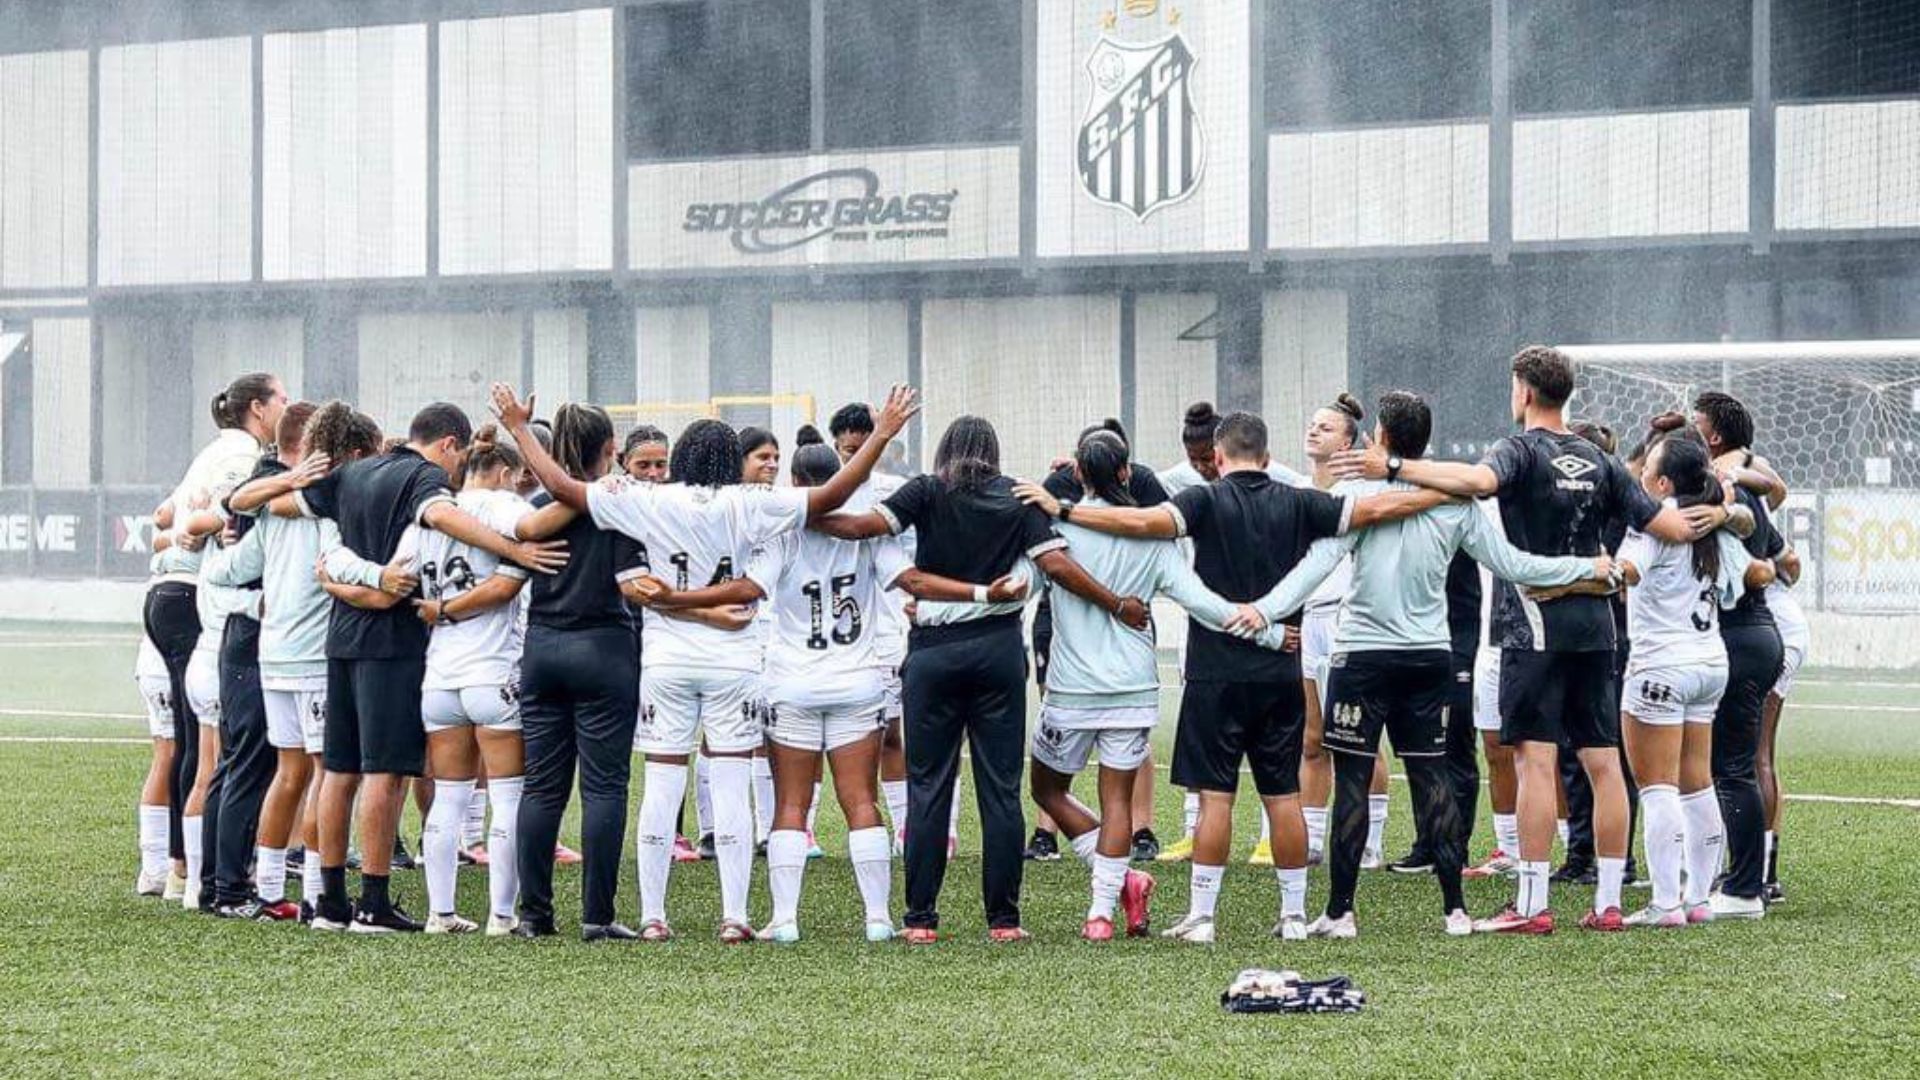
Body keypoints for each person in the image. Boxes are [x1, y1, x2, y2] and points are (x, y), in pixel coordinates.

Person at [1332, 346, 1748, 934]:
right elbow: (1673, 524)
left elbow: (1476, 483)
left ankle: (1531, 904)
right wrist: (1728, 514)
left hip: (1533, 623)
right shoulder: (1600, 461)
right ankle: (1607, 901)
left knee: (1534, 759)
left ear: (1523, 391)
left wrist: (1394, 469)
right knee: (1604, 762)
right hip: (1598, 628)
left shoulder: (1519, 451)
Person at [499, 383, 916, 943]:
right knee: (730, 783)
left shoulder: (650, 498)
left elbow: (561, 489)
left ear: (683, 460)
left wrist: (520, 429)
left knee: (663, 785)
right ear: (733, 462)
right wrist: (883, 433)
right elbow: (832, 494)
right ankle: (735, 915)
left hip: (667, 659)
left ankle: (651, 916)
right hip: (734, 661)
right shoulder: (750, 501)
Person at [1019, 411, 1447, 944]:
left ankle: (1202, 917)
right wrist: (1442, 492)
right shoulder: (1298, 500)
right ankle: (1293, 917)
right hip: (1278, 672)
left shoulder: (1202, 500)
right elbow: (1378, 507)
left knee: (1216, 799)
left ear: (1217, 460)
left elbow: (1147, 524)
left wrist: (1063, 508)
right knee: (1282, 795)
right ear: (1266, 457)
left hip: (1214, 672)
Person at [1230, 391, 1609, 938]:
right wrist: (1588, 566)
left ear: (1381, 437)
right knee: (1433, 779)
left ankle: (1340, 913)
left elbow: (1318, 565)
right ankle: (1454, 910)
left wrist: (1262, 613)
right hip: (1429, 657)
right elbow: (1515, 565)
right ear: (1423, 445)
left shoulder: (1357, 493)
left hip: (1362, 657)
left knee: (1354, 783)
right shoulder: (1454, 502)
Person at [631, 441, 1020, 942]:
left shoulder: (782, 531)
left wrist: (676, 598)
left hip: (793, 682)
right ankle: (878, 917)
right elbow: (913, 581)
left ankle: (786, 919)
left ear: (795, 482)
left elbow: (748, 590)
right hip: (857, 682)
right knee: (861, 800)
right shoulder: (868, 533)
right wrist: (982, 592)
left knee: (790, 804)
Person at [812, 414, 1151, 943]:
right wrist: (1117, 604)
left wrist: (797, 516)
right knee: (1000, 790)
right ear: (994, 453)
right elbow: (1057, 566)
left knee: (928, 788)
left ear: (945, 450)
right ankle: (1004, 921)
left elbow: (858, 528)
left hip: (932, 656)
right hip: (997, 652)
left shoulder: (925, 490)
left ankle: (920, 920)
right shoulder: (1017, 496)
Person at [230, 402, 567, 933]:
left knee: (338, 771)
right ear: (449, 446)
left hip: (338, 638)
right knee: (384, 774)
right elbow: (438, 518)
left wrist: (293, 494)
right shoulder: (424, 478)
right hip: (394, 643)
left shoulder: (352, 474)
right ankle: (374, 902)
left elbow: (255, 506)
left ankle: (330, 902)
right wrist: (511, 549)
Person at [986, 432, 1293, 940]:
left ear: (1079, 476)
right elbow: (1206, 604)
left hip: (1071, 690)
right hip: (1132, 690)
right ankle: (1103, 910)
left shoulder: (1056, 534)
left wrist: (947, 602)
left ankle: (1110, 900)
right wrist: (1273, 630)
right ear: (1127, 473)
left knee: (1045, 788)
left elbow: (1015, 589)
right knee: (1117, 806)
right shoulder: (1155, 541)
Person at [324, 425, 538, 935]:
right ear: (505, 473)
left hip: (439, 678)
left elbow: (387, 586)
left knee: (450, 796)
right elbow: (508, 585)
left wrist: (337, 583)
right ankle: (500, 916)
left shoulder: (424, 520)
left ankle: (441, 912)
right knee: (507, 797)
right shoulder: (513, 512)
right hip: (493, 670)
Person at [1580, 429, 1766, 927]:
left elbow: (1630, 572)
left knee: (1656, 786)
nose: (1640, 472)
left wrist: (1596, 572)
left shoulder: (1653, 526)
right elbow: (1757, 560)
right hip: (1710, 663)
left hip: (1661, 664)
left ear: (1662, 483)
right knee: (1697, 782)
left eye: (1649, 468)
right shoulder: (1713, 521)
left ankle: (1665, 904)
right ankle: (1699, 898)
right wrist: (1729, 513)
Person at [145, 373, 286, 905]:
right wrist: (210, 524)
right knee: (207, 750)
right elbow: (203, 515)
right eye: (282, 399)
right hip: (192, 601)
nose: (285, 407)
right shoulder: (242, 456)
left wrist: (183, 530)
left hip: (170, 593)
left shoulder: (209, 451)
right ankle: (193, 876)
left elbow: (165, 516)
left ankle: (180, 873)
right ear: (258, 407)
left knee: (192, 744)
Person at [1026, 419, 1169, 865]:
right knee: (1061, 733)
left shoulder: (1145, 480)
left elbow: (1165, 523)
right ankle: (1047, 831)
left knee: (1129, 745)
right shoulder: (1055, 483)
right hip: (1064, 626)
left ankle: (1142, 830)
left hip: (1124, 629)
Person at [201, 402, 323, 920]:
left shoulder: (273, 489)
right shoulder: (272, 481)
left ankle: (221, 883)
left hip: (252, 639)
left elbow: (229, 558)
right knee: (246, 762)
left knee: (244, 762)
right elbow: (227, 565)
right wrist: (258, 602)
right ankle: (226, 888)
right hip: (251, 639)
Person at [1692, 392, 1788, 920]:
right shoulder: (1734, 491)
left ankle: (1745, 888)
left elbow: (1768, 565)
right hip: (1754, 634)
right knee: (1725, 765)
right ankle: (1728, 877)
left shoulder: (1714, 492)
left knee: (1732, 767)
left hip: (1743, 636)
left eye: (1694, 423)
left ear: (1713, 437)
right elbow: (1775, 555)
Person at [1295, 394, 1390, 872]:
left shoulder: (1364, 492)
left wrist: (1368, 434)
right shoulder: (1294, 489)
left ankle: (1370, 841)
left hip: (1348, 620)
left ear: (1352, 442)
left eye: (1327, 427)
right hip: (1309, 620)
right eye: (1312, 425)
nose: (1315, 431)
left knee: (1358, 738)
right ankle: (1311, 839)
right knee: (1312, 737)